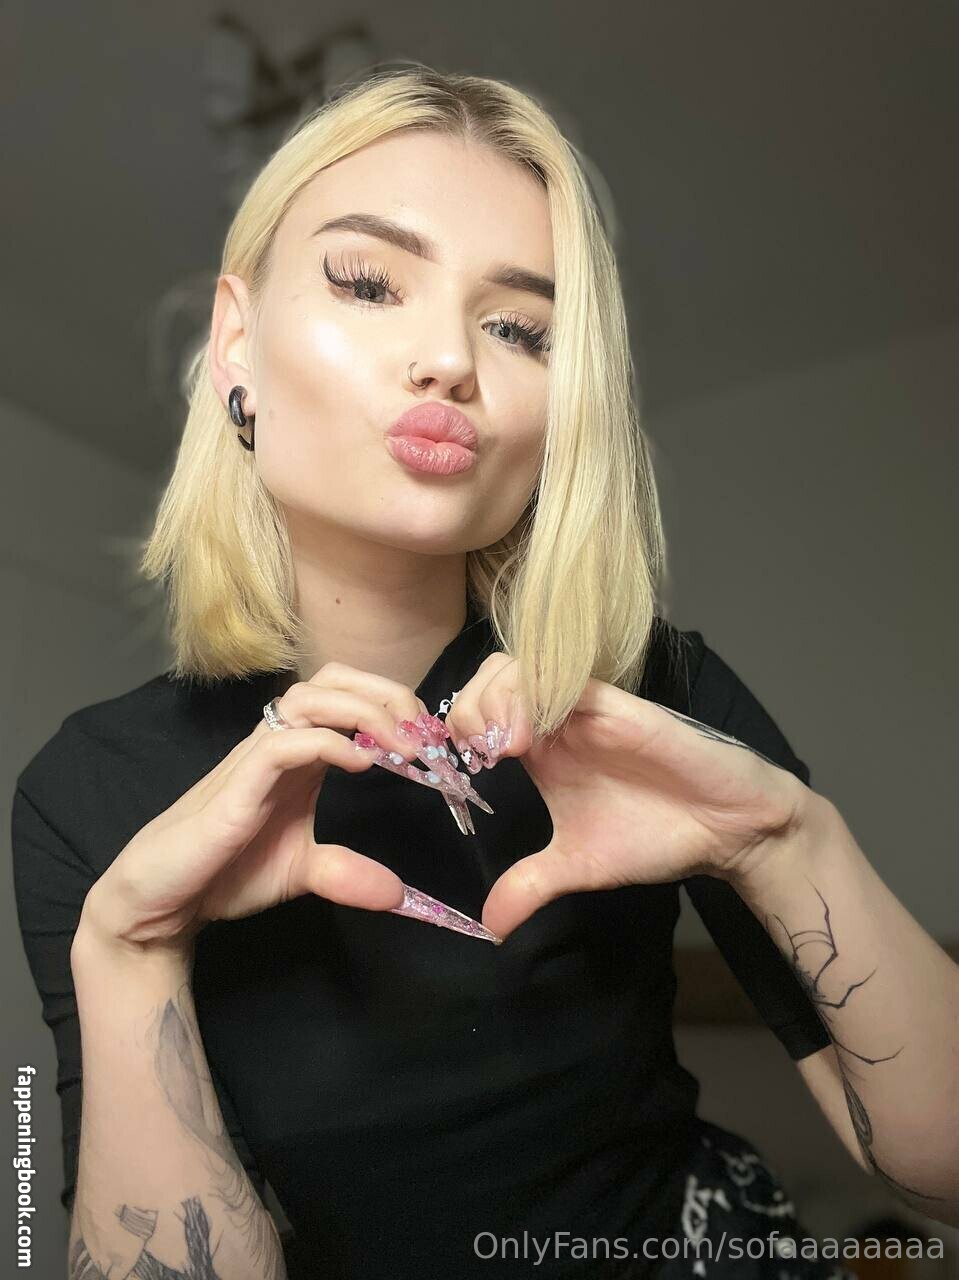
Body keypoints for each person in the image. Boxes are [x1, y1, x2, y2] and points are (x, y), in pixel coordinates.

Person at [12, 65, 956, 1280]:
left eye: (518, 329)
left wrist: (784, 839)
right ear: (235, 345)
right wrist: (129, 948)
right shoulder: (87, 792)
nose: (449, 359)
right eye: (368, 283)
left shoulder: (648, 692)